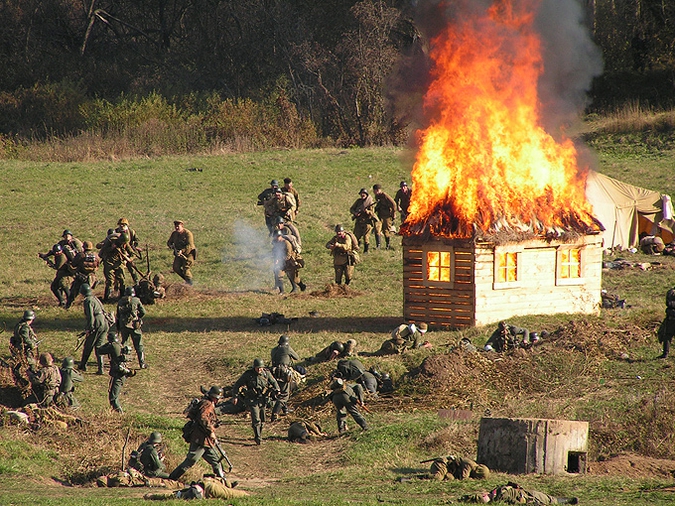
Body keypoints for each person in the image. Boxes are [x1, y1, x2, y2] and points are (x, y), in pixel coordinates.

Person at [169, 386, 227, 480]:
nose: (217, 401)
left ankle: (224, 482)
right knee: (190, 461)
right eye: (216, 398)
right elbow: (203, 418)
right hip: (200, 439)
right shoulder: (207, 404)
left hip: (205, 440)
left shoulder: (208, 403)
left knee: (216, 461)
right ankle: (171, 479)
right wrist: (211, 431)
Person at [231, 358, 280, 445]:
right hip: (252, 399)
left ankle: (259, 434)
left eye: (261, 368)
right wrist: (235, 396)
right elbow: (237, 385)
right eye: (257, 368)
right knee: (256, 418)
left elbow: (274, 382)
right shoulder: (248, 374)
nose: (259, 369)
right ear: (254, 367)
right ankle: (258, 437)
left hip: (263, 399)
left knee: (262, 419)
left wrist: (277, 390)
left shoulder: (266, 373)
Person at [97, 331, 135, 413]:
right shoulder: (119, 345)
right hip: (121, 373)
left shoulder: (113, 346)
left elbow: (99, 350)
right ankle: (117, 413)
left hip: (118, 374)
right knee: (114, 396)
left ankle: (120, 414)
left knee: (113, 398)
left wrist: (108, 344)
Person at [78, 283, 110, 374]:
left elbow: (90, 317)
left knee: (88, 345)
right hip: (104, 323)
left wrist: (89, 328)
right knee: (99, 346)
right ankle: (101, 368)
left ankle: (83, 365)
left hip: (97, 323)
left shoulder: (87, 301)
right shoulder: (95, 298)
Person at [270, 335, 300, 421]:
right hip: (283, 374)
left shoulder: (274, 350)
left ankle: (285, 409)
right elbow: (296, 357)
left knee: (282, 390)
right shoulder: (287, 348)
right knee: (284, 395)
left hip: (274, 373)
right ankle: (274, 414)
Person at [116, 286, 148, 368]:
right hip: (134, 325)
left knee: (124, 343)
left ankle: (123, 362)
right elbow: (143, 312)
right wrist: (138, 318)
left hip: (123, 325)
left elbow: (118, 316)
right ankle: (142, 363)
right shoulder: (136, 300)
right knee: (139, 344)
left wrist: (118, 326)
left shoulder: (120, 301)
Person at [459, 483, 578, 504]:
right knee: (550, 500)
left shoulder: (495, 492)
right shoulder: (500, 498)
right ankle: (568, 501)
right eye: (483, 496)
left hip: (524, 492)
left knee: (549, 498)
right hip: (528, 496)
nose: (484, 493)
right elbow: (515, 502)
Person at [99, 231, 135, 301]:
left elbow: (132, 254)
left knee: (122, 280)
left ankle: (122, 297)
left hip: (119, 263)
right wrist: (111, 248)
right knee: (110, 281)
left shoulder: (125, 243)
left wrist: (129, 259)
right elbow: (101, 253)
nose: (123, 244)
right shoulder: (110, 241)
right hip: (109, 262)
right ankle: (106, 298)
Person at [66, 241, 100, 309]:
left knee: (73, 292)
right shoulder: (96, 255)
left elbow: (73, 264)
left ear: (84, 247)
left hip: (80, 277)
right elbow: (98, 265)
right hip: (92, 277)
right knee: (89, 293)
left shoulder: (81, 255)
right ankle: (92, 306)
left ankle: (68, 306)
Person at [167, 220, 196, 285]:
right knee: (176, 267)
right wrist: (170, 246)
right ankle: (187, 281)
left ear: (182, 226)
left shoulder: (188, 234)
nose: (176, 228)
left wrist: (182, 251)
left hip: (188, 254)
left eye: (178, 226)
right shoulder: (174, 234)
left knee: (186, 269)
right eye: (175, 226)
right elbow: (169, 242)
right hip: (179, 254)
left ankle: (190, 284)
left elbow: (190, 246)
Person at [115, 218, 143, 284]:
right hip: (118, 253)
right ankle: (118, 283)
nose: (121, 227)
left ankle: (136, 281)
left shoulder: (131, 232)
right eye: (120, 225)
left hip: (129, 253)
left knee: (132, 268)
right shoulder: (115, 232)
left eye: (123, 225)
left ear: (126, 225)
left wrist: (134, 247)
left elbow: (136, 240)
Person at [349, 188, 376, 253]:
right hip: (359, 221)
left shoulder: (370, 203)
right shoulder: (358, 201)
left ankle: (366, 250)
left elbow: (372, 213)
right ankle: (356, 248)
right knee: (356, 236)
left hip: (367, 222)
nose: (362, 195)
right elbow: (352, 209)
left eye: (363, 194)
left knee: (366, 238)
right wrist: (355, 213)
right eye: (361, 194)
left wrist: (366, 211)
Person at [423, 455, 490, 481]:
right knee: (437, 477)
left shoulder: (472, 465)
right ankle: (420, 476)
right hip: (442, 464)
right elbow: (464, 478)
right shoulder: (469, 465)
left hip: (448, 470)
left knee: (449, 478)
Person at [372, 184, 397, 249]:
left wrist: (393, 213)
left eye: (374, 191)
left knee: (386, 231)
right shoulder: (377, 196)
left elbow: (394, 204)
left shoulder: (385, 196)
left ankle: (387, 245)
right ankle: (378, 245)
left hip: (387, 216)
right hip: (380, 215)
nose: (374, 193)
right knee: (377, 229)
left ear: (377, 190)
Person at [657, 285, 675, 358]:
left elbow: (669, 304)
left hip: (671, 318)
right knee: (667, 335)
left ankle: (665, 353)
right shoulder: (672, 292)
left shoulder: (671, 292)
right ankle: (665, 353)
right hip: (671, 317)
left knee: (668, 335)